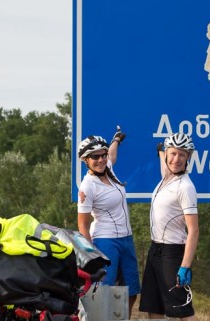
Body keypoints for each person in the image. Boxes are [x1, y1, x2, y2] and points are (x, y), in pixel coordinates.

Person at [76, 128, 140, 316]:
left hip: (126, 239)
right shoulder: (88, 186)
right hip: (105, 241)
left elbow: (111, 154)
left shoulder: (108, 168)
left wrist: (116, 140)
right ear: (86, 160)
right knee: (103, 292)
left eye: (102, 155)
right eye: (95, 157)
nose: (101, 159)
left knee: (133, 290)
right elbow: (82, 225)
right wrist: (91, 255)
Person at [139, 133, 199, 321]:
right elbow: (166, 166)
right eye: (173, 153)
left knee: (182, 309)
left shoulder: (185, 187)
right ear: (166, 154)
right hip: (155, 250)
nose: (176, 159)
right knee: (154, 307)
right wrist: (160, 152)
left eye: (182, 154)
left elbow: (194, 230)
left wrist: (185, 267)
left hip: (172, 254)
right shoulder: (167, 178)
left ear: (189, 157)